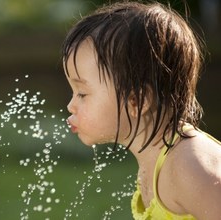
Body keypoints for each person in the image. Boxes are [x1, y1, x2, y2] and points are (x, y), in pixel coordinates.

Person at [62, 1, 221, 219]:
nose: (71, 105)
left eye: (82, 93)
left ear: (137, 101)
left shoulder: (188, 166)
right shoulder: (154, 161)